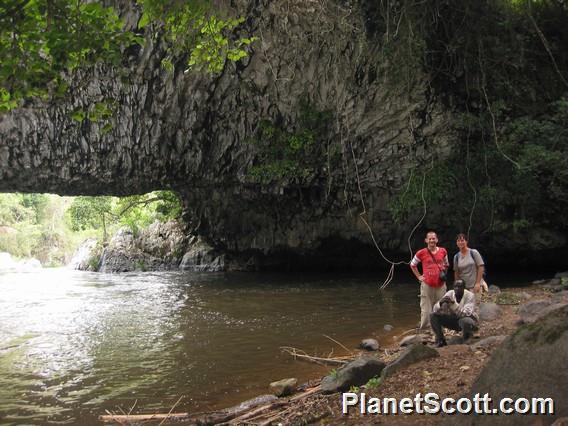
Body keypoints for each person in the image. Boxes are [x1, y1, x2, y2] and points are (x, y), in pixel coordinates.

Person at [410, 231, 449, 330]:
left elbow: (446, 264)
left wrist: (443, 274)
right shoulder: (421, 252)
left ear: (437, 240)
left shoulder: (443, 251)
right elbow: (412, 264)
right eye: (430, 238)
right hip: (427, 285)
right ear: (426, 240)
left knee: (440, 307)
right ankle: (425, 329)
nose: (432, 240)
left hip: (440, 284)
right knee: (426, 309)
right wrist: (419, 276)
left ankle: (440, 327)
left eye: (433, 238)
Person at [430, 279, 478, 346]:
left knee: (466, 320)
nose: (457, 288)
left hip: (469, 321)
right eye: (455, 286)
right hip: (454, 320)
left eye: (460, 287)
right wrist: (440, 303)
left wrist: (453, 304)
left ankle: (467, 337)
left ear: (464, 287)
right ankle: (440, 340)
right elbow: (435, 309)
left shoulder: (470, 296)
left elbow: (466, 314)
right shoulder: (450, 293)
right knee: (433, 315)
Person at [453, 233, 485, 300]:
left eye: (462, 240)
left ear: (466, 241)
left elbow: (481, 267)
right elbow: (456, 272)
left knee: (476, 307)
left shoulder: (473, 252)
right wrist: (457, 287)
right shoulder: (456, 257)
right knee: (465, 308)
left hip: (475, 286)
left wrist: (478, 283)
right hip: (464, 287)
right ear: (456, 243)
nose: (460, 242)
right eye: (458, 241)